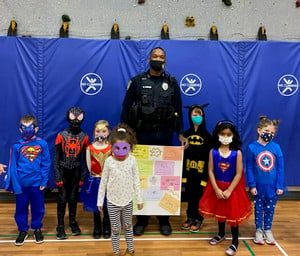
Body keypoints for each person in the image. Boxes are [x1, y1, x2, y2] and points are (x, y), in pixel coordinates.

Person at [121, 46, 188, 236]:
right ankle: (141, 219)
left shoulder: (172, 82)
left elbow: (178, 109)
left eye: (162, 56)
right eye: (155, 56)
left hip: (165, 135)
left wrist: (180, 134)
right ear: (149, 58)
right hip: (142, 135)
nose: (158, 59)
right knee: (142, 178)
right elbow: (126, 107)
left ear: (165, 60)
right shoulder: (137, 82)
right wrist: (124, 131)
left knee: (165, 180)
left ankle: (164, 218)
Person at [199, 120, 251, 256]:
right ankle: (221, 233)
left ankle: (235, 242)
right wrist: (216, 189)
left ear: (233, 135)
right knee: (219, 211)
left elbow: (239, 173)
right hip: (216, 186)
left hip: (231, 188)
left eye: (228, 134)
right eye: (223, 134)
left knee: (232, 214)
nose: (226, 137)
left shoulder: (237, 153)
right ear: (218, 134)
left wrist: (229, 190)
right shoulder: (213, 152)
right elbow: (210, 170)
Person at [97, 123, 143, 256]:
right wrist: (100, 201)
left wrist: (139, 199)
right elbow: (103, 182)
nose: (121, 152)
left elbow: (136, 181)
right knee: (115, 229)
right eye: (117, 148)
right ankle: (116, 252)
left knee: (128, 227)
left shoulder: (132, 160)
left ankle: (130, 249)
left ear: (130, 147)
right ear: (112, 147)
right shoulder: (109, 161)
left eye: (125, 148)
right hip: (112, 202)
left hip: (127, 201)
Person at [5, 115, 51, 246]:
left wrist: (44, 181)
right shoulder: (16, 146)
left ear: (36, 128)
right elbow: (13, 166)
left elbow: (46, 163)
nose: (27, 130)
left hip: (37, 184)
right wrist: (16, 185)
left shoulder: (42, 144)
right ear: (20, 130)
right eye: (24, 128)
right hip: (22, 184)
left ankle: (37, 228)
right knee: (21, 208)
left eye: (30, 127)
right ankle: (22, 230)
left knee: (38, 208)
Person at [246, 115, 284, 245]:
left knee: (270, 208)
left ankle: (268, 229)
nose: (270, 134)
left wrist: (279, 185)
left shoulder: (276, 148)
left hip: (272, 186)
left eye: (272, 133)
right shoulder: (252, 147)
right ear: (259, 130)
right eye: (267, 131)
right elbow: (250, 168)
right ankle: (258, 230)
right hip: (258, 185)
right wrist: (252, 185)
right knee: (258, 207)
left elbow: (280, 168)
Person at [54, 106, 89, 239]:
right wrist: (57, 175)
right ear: (68, 117)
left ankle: (73, 222)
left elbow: (86, 159)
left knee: (74, 198)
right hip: (63, 171)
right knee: (62, 198)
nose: (75, 121)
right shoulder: (61, 135)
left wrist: (83, 175)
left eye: (79, 117)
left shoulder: (84, 137)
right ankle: (60, 225)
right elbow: (56, 157)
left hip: (76, 171)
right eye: (73, 118)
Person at [181, 104, 212, 232]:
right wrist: (183, 176)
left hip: (201, 173)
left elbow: (209, 158)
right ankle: (190, 217)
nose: (197, 117)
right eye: (194, 114)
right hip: (189, 172)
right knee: (190, 196)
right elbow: (182, 156)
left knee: (199, 196)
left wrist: (205, 177)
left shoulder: (207, 135)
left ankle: (198, 218)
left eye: (199, 114)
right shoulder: (186, 134)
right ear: (190, 116)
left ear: (203, 116)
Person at [80, 120, 111, 239]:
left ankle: (107, 226)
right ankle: (97, 226)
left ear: (108, 132)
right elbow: (88, 165)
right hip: (94, 180)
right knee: (95, 204)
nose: (100, 133)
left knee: (107, 205)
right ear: (94, 133)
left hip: (107, 180)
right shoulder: (90, 148)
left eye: (103, 131)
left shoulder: (111, 147)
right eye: (98, 131)